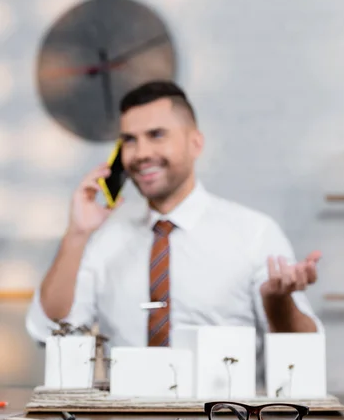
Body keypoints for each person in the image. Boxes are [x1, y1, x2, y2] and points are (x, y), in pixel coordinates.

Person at [26, 81, 322, 383]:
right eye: (129, 140)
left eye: (156, 135)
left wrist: (277, 303)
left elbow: (304, 354)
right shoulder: (103, 239)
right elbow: (47, 333)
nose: (141, 153)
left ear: (195, 143)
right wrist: (77, 234)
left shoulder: (255, 233)